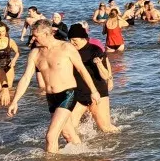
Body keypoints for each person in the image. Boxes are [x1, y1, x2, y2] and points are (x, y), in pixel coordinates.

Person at [8, 19, 101, 153]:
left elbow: (82, 70)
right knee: (68, 134)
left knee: (51, 136)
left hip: (68, 94)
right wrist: (15, 101)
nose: (32, 38)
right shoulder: (35, 53)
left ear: (46, 34)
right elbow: (26, 78)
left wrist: (94, 91)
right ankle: (84, 160)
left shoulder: (66, 47)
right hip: (51, 97)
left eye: (36, 36)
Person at [68, 24, 119, 134]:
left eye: (74, 40)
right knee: (69, 128)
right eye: (70, 40)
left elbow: (105, 75)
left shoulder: (95, 50)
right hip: (78, 94)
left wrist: (99, 64)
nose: (72, 42)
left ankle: (122, 143)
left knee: (105, 128)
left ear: (83, 37)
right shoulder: (70, 51)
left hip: (98, 92)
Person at [0, 22, 21, 105]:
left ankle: (9, 107)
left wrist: (14, 60)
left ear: (6, 31)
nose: (1, 33)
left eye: (3, 31)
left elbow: (17, 52)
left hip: (8, 67)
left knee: (8, 89)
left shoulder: (10, 41)